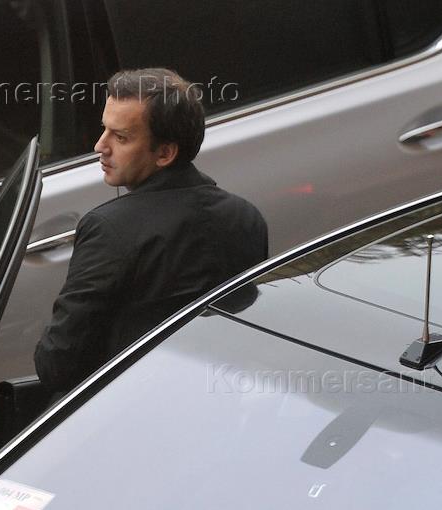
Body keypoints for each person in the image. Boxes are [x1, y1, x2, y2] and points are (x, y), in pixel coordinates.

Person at [34, 68, 268, 395]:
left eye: (121, 137)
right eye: (104, 130)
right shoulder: (247, 217)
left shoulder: (109, 229)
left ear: (165, 153)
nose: (100, 146)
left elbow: (58, 363)